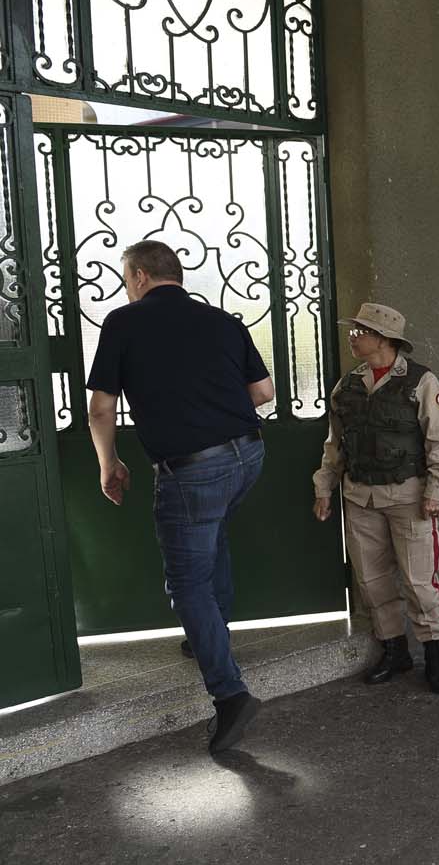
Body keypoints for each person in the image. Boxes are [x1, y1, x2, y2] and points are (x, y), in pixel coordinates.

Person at [86, 240, 273, 754]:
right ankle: (213, 633)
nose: (128, 287)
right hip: (248, 457)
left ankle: (230, 695)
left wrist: (110, 463)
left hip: (192, 469)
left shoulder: (123, 323)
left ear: (141, 277)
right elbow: (264, 393)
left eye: (128, 279)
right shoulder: (222, 320)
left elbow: (101, 410)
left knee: (187, 581)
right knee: (211, 536)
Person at [312, 303, 439, 694]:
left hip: (408, 495)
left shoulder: (420, 381)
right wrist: (324, 488)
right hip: (360, 496)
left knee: (419, 582)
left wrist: (436, 490)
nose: (353, 336)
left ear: (383, 338)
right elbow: (335, 445)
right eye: (354, 330)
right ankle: (395, 651)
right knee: (372, 581)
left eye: (360, 331)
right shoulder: (347, 386)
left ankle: (436, 658)